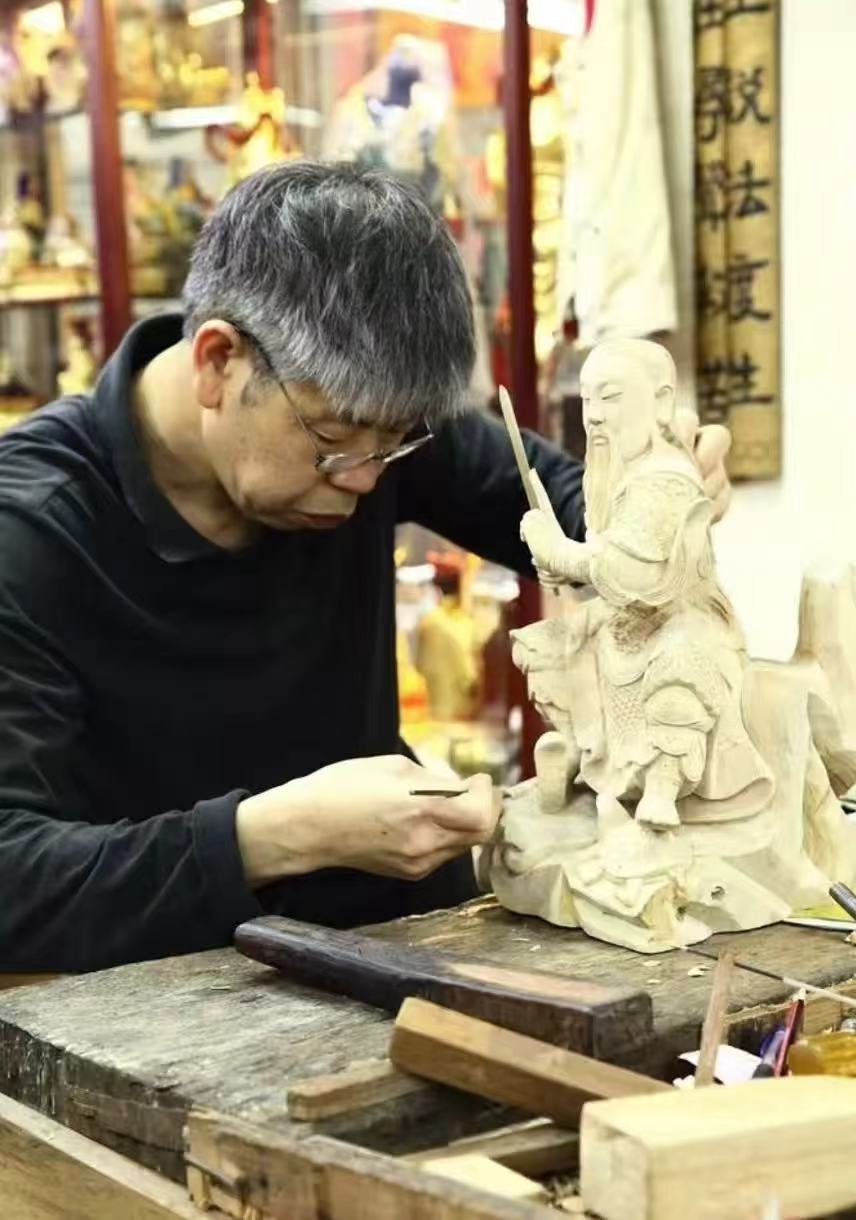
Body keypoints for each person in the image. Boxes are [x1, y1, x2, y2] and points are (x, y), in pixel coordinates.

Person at [0, 162, 731, 973]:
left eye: (396, 444)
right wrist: (273, 838)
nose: (363, 481)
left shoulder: (368, 422)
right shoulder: (29, 531)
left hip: (408, 941)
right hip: (166, 993)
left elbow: (559, 506)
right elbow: (14, 880)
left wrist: (650, 489)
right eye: (333, 442)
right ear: (217, 361)